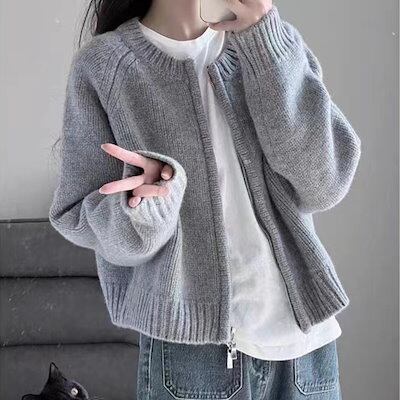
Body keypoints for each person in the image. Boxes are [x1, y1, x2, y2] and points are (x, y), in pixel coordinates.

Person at [49, 0, 361, 398]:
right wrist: (147, 209)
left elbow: (324, 184)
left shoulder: (272, 43)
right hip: (190, 356)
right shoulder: (105, 66)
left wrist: (266, 45)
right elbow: (79, 215)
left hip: (306, 349)